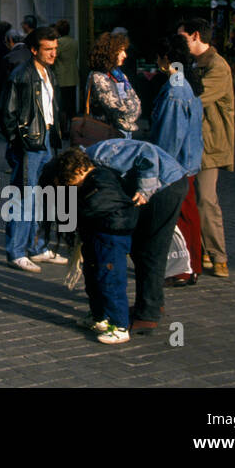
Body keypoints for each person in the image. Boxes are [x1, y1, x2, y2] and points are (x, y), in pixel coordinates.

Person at [84, 136, 187, 335]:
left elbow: (147, 152)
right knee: (142, 249)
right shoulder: (94, 160)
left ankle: (147, 315)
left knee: (150, 249)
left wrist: (145, 190)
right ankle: (152, 303)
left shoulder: (100, 155)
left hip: (166, 187)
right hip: (167, 183)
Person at [50, 147, 137, 345]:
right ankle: (99, 316)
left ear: (79, 170)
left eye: (69, 180)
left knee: (110, 280)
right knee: (94, 277)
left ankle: (120, 325)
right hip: (97, 235)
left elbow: (93, 206)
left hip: (111, 238)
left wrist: (74, 213)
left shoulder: (101, 179)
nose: (69, 185)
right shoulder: (92, 181)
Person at [0, 25, 67, 271]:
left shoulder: (48, 71)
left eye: (55, 48)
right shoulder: (21, 74)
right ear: (34, 50)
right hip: (30, 142)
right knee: (24, 195)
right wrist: (19, 140)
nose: (53, 53)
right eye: (48, 49)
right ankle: (16, 251)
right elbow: (6, 112)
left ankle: (38, 247)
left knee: (43, 194)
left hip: (47, 137)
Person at [179, 17, 235, 279]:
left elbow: (195, 98)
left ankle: (218, 255)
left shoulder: (217, 66)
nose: (180, 43)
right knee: (191, 198)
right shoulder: (193, 63)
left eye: (183, 37)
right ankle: (199, 251)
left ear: (196, 36)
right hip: (193, 141)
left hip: (209, 143)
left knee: (206, 199)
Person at [151, 34, 205, 288]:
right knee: (188, 214)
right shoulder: (185, 82)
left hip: (176, 165)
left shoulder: (175, 88)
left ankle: (185, 268)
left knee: (180, 217)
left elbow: (169, 137)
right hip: (188, 161)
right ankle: (192, 264)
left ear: (165, 58)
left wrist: (159, 167)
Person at [86, 31, 141, 138]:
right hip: (108, 133)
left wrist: (133, 108)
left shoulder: (118, 75)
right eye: (121, 51)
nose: (125, 55)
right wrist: (133, 108)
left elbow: (136, 101)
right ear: (110, 52)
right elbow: (117, 109)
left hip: (122, 131)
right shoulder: (98, 77)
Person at [52, 19, 78, 135]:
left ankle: (64, 130)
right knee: (71, 106)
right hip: (72, 75)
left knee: (62, 106)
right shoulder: (74, 42)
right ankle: (73, 129)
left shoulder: (59, 42)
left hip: (61, 76)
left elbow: (54, 56)